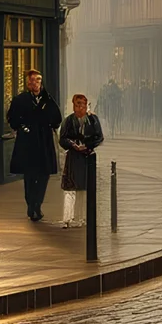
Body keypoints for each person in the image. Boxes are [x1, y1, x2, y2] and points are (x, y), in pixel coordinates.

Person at [7, 70, 60, 222]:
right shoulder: (20, 100)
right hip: (28, 141)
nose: (34, 84)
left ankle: (38, 204)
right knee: (29, 176)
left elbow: (57, 118)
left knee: (44, 174)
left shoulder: (47, 99)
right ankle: (31, 204)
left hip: (44, 141)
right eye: (31, 81)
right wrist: (22, 126)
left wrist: (49, 124)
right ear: (27, 83)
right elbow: (12, 118)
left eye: (37, 81)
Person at [59, 93, 106, 228]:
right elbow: (62, 139)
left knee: (85, 189)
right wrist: (73, 145)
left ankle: (83, 217)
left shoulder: (93, 120)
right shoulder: (68, 121)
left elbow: (99, 137)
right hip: (73, 158)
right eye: (77, 105)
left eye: (83, 105)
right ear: (73, 106)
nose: (80, 108)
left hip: (87, 157)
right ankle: (67, 218)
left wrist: (88, 146)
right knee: (70, 188)